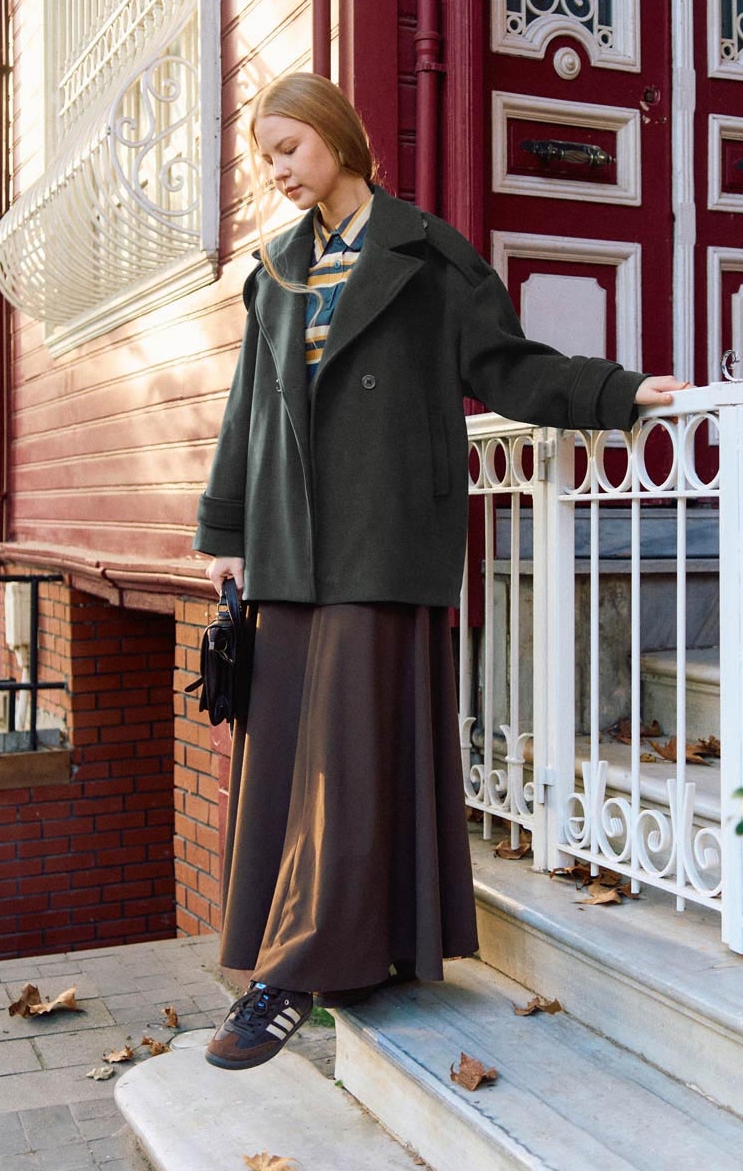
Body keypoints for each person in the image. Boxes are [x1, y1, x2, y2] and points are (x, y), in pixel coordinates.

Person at [192, 72, 686, 1072]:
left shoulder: (426, 254)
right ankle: (336, 953)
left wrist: (618, 390)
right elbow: (248, 410)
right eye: (264, 156)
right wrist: (226, 532)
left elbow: (508, 367)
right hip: (288, 548)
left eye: (289, 148)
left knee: (350, 761)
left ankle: (290, 977)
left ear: (337, 136)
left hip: (383, 542)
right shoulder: (276, 270)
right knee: (289, 764)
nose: (276, 170)